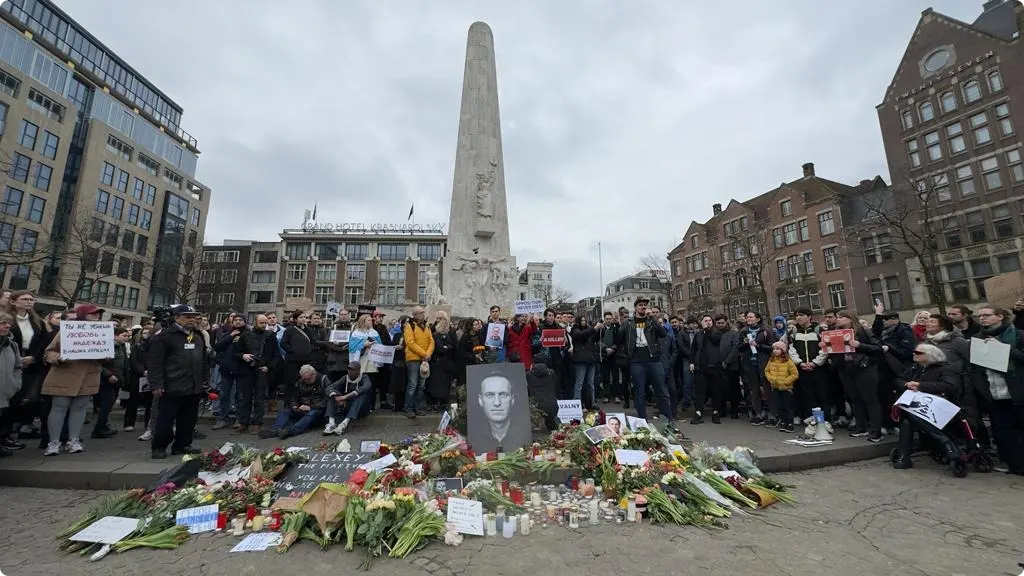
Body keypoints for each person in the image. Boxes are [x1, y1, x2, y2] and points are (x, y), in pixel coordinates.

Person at [40, 303, 109, 456]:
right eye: (92, 313)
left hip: (89, 375)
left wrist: (105, 356)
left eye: (98, 314)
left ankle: (74, 439)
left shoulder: (103, 332)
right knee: (59, 407)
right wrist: (60, 358)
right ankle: (54, 442)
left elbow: (106, 355)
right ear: (83, 314)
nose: (96, 316)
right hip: (65, 373)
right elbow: (49, 352)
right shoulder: (68, 330)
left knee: (80, 408)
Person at [966, 306, 1024, 475]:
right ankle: (1015, 465)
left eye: (986, 315)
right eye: (980, 316)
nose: (982, 318)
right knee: (1003, 433)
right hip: (994, 394)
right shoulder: (977, 339)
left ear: (1000, 316)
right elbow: (974, 368)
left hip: (1017, 392)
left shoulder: (1019, 335)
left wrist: (1003, 348)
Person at [148, 305, 210, 459]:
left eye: (194, 316)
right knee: (166, 419)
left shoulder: (197, 336)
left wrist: (205, 380)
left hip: (193, 385)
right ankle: (159, 446)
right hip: (172, 385)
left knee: (189, 419)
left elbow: (203, 360)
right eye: (187, 316)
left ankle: (182, 445)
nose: (192, 319)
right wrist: (156, 384)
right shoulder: (165, 336)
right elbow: (155, 363)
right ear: (177, 318)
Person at [892, 343, 962, 469]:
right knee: (909, 418)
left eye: (918, 353)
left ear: (930, 356)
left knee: (909, 418)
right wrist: (906, 384)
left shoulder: (945, 368)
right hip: (917, 405)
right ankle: (945, 442)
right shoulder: (915, 368)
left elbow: (951, 386)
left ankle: (904, 455)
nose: (914, 354)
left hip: (939, 405)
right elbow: (899, 379)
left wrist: (921, 386)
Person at [615, 297, 675, 429]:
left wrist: (653, 319)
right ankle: (643, 421)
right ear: (635, 307)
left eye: (645, 305)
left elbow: (663, 334)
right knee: (639, 392)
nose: (643, 307)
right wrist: (618, 324)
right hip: (637, 361)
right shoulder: (628, 323)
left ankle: (669, 420)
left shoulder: (651, 321)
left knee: (661, 390)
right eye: (641, 305)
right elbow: (618, 339)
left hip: (654, 360)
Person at [830, 311, 885, 443]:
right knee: (855, 399)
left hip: (864, 369)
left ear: (850, 319)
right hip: (846, 370)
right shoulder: (835, 333)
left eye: (841, 317)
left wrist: (860, 345)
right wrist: (827, 347)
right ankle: (861, 427)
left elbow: (877, 348)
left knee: (870, 400)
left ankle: (876, 431)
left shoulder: (863, 331)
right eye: (837, 317)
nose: (838, 319)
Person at [235, 314, 280, 435]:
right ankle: (243, 422)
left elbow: (276, 355)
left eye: (265, 323)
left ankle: (256, 423)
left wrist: (268, 367)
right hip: (247, 369)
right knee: (245, 398)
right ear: (255, 322)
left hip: (262, 369)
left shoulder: (270, 336)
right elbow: (236, 352)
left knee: (260, 398)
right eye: (261, 323)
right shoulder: (246, 335)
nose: (264, 325)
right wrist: (243, 356)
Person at [260, 364, 328, 439]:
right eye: (304, 379)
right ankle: (275, 430)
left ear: (313, 375)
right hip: (302, 408)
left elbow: (327, 400)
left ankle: (289, 431)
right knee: (286, 412)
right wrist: (294, 406)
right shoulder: (301, 381)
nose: (305, 381)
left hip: (317, 410)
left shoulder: (323, 380)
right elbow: (294, 397)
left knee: (312, 413)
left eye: (307, 379)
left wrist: (310, 407)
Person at [474, 371, 530, 453]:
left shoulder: (524, 435)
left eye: (503, 395)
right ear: (480, 400)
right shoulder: (475, 438)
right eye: (489, 395)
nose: (497, 403)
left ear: (512, 399)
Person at [737, 310, 777, 425]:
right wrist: (744, 343)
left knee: (767, 389)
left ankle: (772, 415)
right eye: (747, 317)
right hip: (750, 363)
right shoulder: (744, 331)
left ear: (758, 319)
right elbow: (739, 348)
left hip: (764, 363)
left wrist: (758, 346)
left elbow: (772, 347)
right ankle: (758, 414)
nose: (748, 319)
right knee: (754, 390)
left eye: (751, 317)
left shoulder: (766, 331)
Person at [788, 307, 828, 422]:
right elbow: (791, 348)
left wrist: (815, 362)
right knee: (806, 394)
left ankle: (823, 420)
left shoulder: (819, 330)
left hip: (818, 368)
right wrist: (799, 362)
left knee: (821, 394)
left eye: (801, 315)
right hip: (801, 367)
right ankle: (809, 418)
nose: (798, 318)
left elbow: (825, 348)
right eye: (796, 315)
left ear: (809, 316)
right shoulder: (793, 331)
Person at [95, 327, 132, 438]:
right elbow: (98, 363)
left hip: (117, 381)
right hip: (107, 381)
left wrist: (125, 380)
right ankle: (99, 428)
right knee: (106, 405)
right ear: (115, 336)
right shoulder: (107, 346)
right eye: (123, 336)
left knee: (109, 405)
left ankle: (104, 426)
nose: (126, 338)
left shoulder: (122, 347)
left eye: (127, 336)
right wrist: (108, 375)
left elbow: (124, 365)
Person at [691, 315, 726, 425]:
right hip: (701, 367)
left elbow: (715, 340)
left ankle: (715, 412)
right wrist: (692, 362)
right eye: (705, 321)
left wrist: (708, 330)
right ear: (701, 322)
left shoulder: (717, 333)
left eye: (710, 320)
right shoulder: (698, 335)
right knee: (700, 391)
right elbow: (694, 349)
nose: (708, 322)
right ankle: (698, 412)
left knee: (715, 390)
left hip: (714, 366)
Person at [403, 306, 435, 418]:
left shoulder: (426, 326)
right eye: (420, 313)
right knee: (413, 384)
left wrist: (428, 354)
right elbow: (410, 343)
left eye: (423, 312)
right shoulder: (409, 326)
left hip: (424, 359)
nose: (423, 314)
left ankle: (418, 407)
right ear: (415, 315)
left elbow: (432, 342)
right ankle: (408, 408)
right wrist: (424, 354)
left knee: (421, 385)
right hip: (413, 359)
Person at [324, 361, 372, 435]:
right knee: (332, 395)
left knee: (361, 394)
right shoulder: (345, 378)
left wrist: (345, 397)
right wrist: (337, 396)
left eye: (352, 370)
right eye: (348, 369)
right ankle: (331, 423)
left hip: (361, 409)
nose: (349, 371)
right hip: (347, 406)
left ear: (358, 371)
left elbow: (366, 387)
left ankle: (344, 424)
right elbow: (330, 387)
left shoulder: (364, 377)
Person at [0, 312, 23, 457]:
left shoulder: (12, 345)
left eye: (9, 323)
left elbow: (17, 367)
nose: (7, 325)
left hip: (4, 393)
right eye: (3, 322)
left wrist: (15, 384)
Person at [764, 341, 799, 433]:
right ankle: (783, 421)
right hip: (775, 387)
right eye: (774, 349)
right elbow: (767, 371)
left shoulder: (788, 361)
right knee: (779, 406)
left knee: (788, 406)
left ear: (783, 351)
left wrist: (786, 381)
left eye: (778, 349)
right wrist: (771, 379)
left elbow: (795, 374)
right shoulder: (771, 360)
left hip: (786, 388)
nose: (775, 351)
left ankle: (790, 423)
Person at [570, 316, 600, 409]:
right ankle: (577, 403)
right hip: (581, 360)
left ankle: (592, 402)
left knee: (591, 383)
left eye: (585, 320)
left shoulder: (588, 330)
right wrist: (594, 328)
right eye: (582, 320)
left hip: (590, 359)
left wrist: (599, 331)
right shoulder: (574, 330)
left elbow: (595, 338)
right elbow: (581, 335)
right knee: (579, 383)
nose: (584, 322)